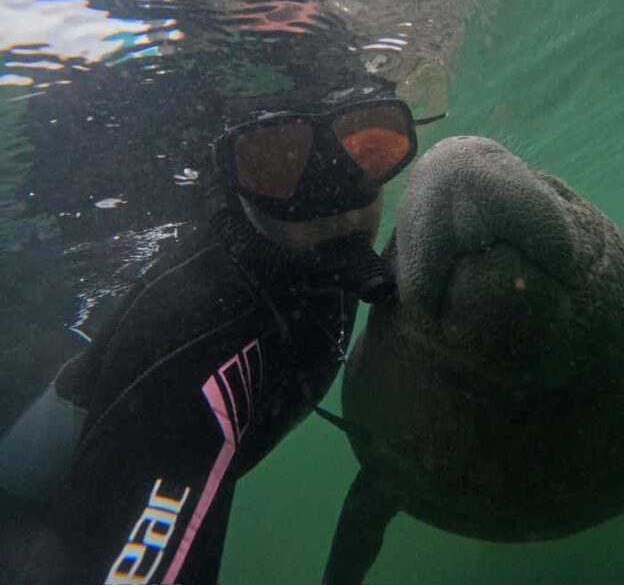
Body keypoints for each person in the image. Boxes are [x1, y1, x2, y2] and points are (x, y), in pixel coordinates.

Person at [0, 76, 443, 584]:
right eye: (276, 163)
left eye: (369, 148)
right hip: (24, 514)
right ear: (234, 187)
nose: (337, 197)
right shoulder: (212, 341)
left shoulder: (301, 267)